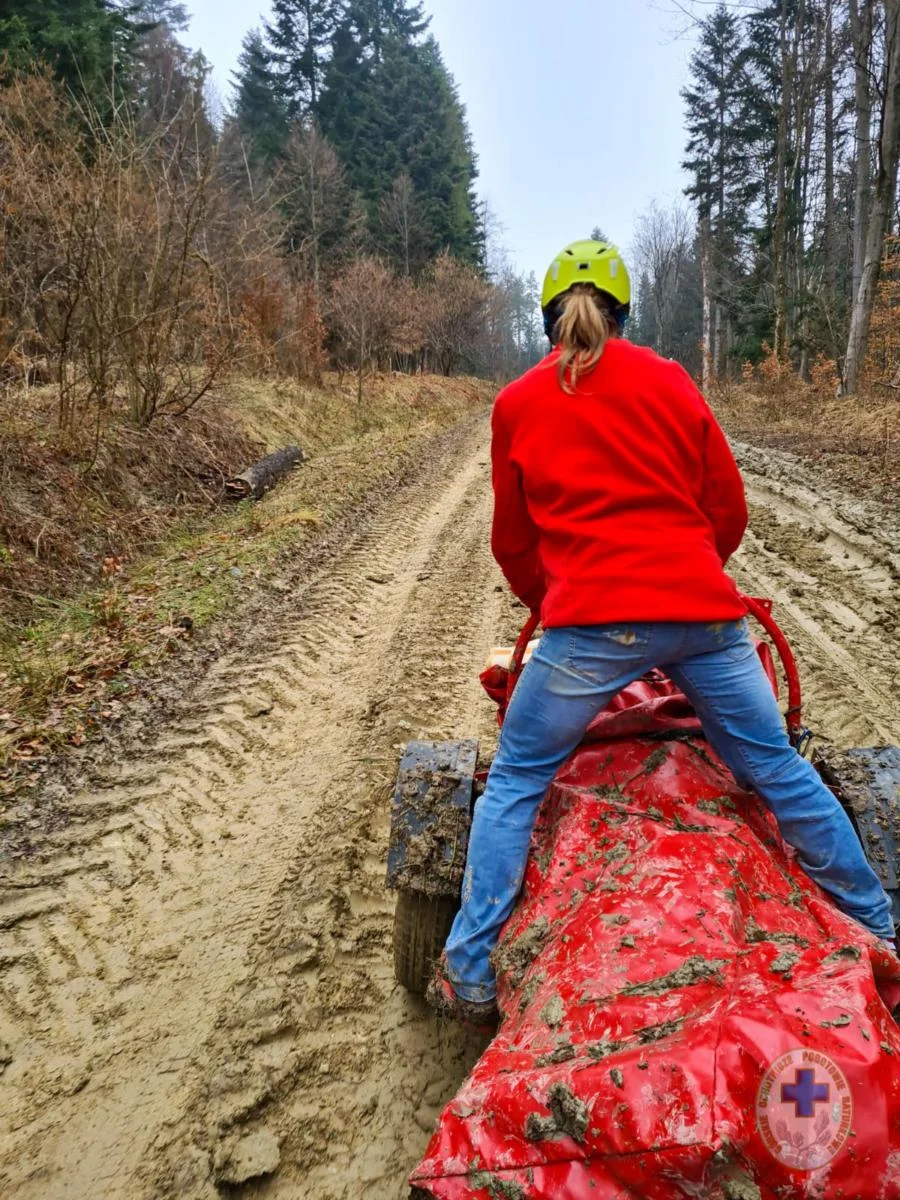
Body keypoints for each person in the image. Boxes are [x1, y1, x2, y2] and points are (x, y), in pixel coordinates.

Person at [426, 238, 896, 1024]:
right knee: (775, 765)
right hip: (706, 623)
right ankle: (879, 925)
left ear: (549, 317)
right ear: (624, 310)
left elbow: (512, 542)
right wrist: (689, 576)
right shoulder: (670, 380)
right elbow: (727, 505)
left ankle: (471, 971)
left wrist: (555, 599)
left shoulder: (517, 403)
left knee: (514, 782)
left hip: (589, 632)